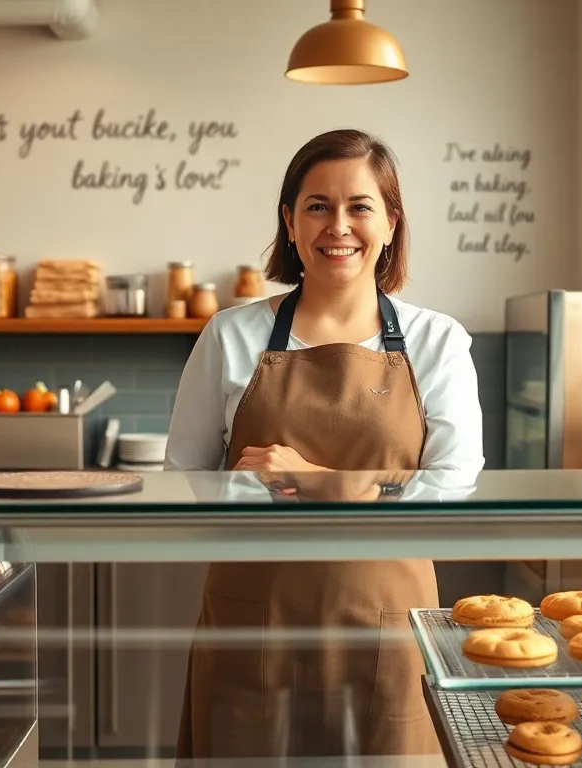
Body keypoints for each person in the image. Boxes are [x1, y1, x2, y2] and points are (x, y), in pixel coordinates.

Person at [164, 128, 485, 760]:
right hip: (251, 622)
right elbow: (183, 481)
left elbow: (454, 486)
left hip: (389, 627)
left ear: (391, 222)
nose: (338, 225)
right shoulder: (231, 335)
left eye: (360, 206)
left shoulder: (436, 341)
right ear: (289, 221)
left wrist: (312, 478)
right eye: (317, 206)